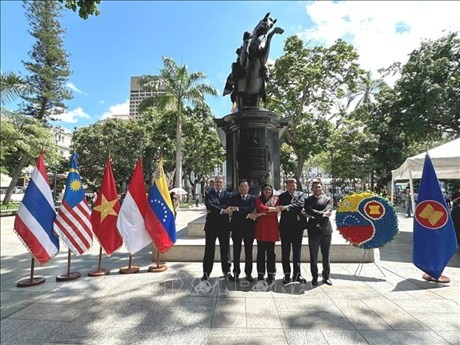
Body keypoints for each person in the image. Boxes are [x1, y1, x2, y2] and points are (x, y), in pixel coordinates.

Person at [201, 176, 233, 281]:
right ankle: (206, 273)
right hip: (211, 226)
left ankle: (227, 271)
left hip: (224, 226)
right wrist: (222, 211)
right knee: (209, 250)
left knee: (225, 250)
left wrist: (216, 209)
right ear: (214, 183)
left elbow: (227, 205)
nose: (219, 184)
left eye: (220, 182)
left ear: (223, 183)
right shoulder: (209, 194)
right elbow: (209, 205)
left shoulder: (227, 194)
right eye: (217, 182)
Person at [304, 180, 334, 286]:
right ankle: (315, 277)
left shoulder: (328, 199)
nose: (317, 189)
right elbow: (309, 210)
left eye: (319, 187)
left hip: (326, 230)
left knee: (326, 255)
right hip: (313, 231)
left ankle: (326, 277)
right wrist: (322, 214)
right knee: (314, 255)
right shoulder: (308, 199)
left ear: (322, 188)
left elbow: (329, 209)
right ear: (312, 189)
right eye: (315, 187)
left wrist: (316, 214)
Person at [278, 178, 307, 284]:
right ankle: (286, 275)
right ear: (286, 185)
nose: (291, 187)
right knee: (285, 252)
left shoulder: (301, 194)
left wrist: (287, 207)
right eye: (289, 185)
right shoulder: (282, 196)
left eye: (293, 185)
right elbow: (294, 208)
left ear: (296, 185)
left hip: (298, 227)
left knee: (297, 252)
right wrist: (291, 208)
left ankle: (297, 275)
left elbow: (300, 205)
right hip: (285, 227)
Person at [228, 179, 256, 282]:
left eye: (245, 186)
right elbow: (232, 208)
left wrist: (238, 209)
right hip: (236, 228)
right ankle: (236, 273)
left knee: (249, 252)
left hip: (249, 228)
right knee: (236, 251)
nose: (243, 188)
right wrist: (244, 210)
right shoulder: (233, 198)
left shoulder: (253, 199)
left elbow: (250, 208)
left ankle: (248, 273)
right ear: (239, 188)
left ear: (248, 188)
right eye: (242, 186)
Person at [254, 183, 280, 283]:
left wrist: (265, 212)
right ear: (262, 190)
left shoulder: (276, 199)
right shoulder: (258, 199)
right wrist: (271, 209)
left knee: (271, 253)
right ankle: (260, 273)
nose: (267, 191)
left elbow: (276, 212)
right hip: (261, 229)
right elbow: (260, 208)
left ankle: (271, 273)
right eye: (265, 190)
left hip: (272, 229)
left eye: (269, 190)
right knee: (260, 253)